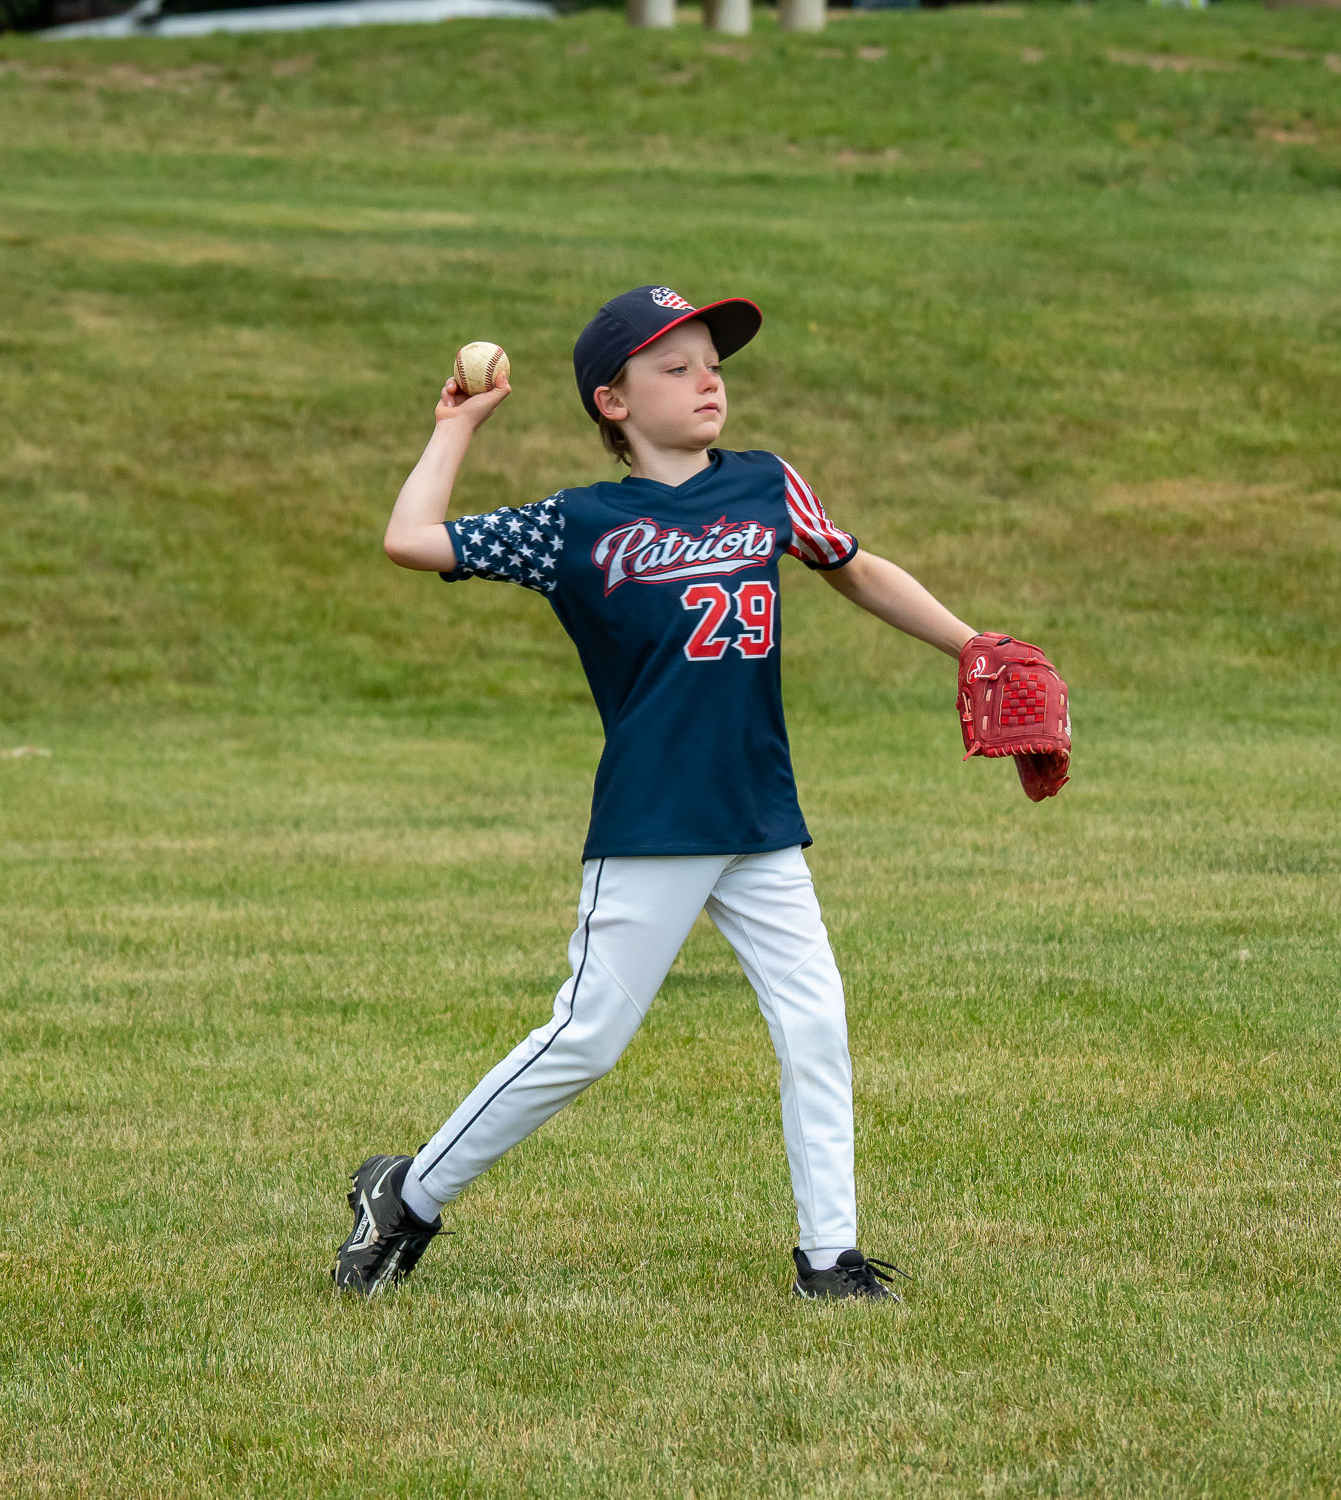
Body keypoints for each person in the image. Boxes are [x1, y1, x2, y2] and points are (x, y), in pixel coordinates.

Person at [338, 286, 982, 1302]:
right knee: (587, 1037)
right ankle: (406, 1195)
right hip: (654, 818)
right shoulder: (578, 522)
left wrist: (973, 645)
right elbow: (411, 539)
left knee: (814, 1022)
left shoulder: (765, 485)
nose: (705, 380)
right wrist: (457, 427)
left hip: (759, 814)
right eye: (672, 368)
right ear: (612, 402)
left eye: (711, 363)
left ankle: (830, 1259)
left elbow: (851, 567)